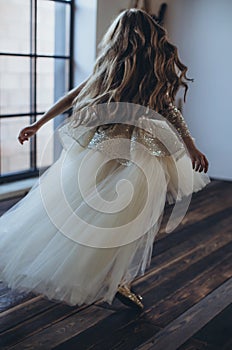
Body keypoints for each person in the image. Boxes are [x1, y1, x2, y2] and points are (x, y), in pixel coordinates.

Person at [0, 9, 210, 311]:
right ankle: (112, 276)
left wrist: (40, 123)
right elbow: (168, 110)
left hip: (109, 147)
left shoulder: (120, 67)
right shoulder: (129, 69)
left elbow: (75, 96)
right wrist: (190, 146)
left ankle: (115, 277)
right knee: (125, 219)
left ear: (119, 37)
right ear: (150, 37)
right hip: (138, 152)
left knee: (104, 214)